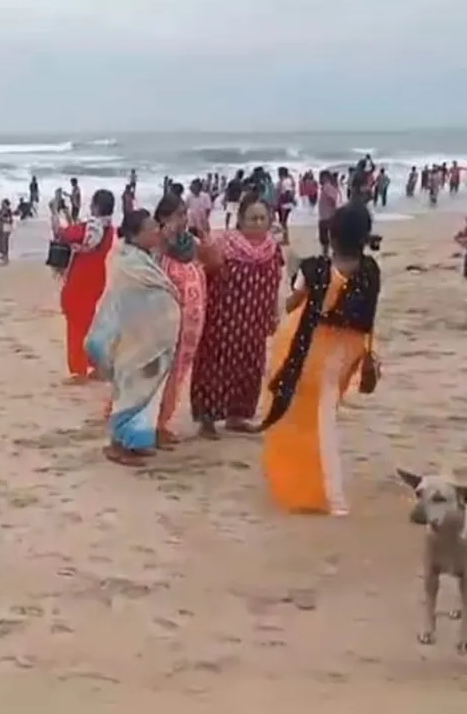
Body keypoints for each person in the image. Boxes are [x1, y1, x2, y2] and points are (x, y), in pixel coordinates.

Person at [261, 202, 381, 515]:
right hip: (348, 353)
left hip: (310, 351)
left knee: (309, 419)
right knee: (323, 415)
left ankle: (330, 497)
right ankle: (317, 488)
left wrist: (295, 276)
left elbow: (291, 305)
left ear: (331, 234)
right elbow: (367, 317)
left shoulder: (314, 269)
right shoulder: (371, 271)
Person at [84, 209, 179, 467]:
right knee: (129, 391)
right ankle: (118, 445)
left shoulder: (143, 256)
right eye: (151, 228)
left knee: (144, 392)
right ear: (137, 234)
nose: (157, 231)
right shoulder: (126, 261)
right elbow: (125, 298)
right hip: (130, 338)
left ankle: (134, 442)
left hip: (145, 338)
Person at [190, 195, 282, 438]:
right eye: (252, 218)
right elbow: (203, 275)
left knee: (250, 368)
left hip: (255, 320)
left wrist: (273, 312)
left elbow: (275, 283)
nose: (258, 223)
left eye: (262, 218)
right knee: (214, 367)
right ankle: (207, 420)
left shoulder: (273, 249)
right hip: (222, 319)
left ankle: (237, 416)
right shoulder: (224, 245)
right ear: (240, 220)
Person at [154, 194, 209, 446]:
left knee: (178, 374)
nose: (183, 219)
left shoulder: (191, 244)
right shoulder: (155, 246)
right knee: (158, 373)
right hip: (164, 324)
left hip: (190, 325)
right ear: (163, 218)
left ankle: (163, 422)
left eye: (185, 213)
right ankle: (151, 424)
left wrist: (205, 234)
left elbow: (216, 261)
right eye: (178, 215)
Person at [57, 189, 116, 382]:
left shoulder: (90, 228)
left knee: (75, 326)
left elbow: (65, 234)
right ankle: (97, 365)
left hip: (80, 279)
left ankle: (78, 370)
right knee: (90, 325)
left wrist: (55, 214)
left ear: (97, 207)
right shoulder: (108, 229)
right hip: (97, 278)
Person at [317, 171, 342, 255]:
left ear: (325, 178)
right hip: (328, 216)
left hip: (327, 217)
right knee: (330, 238)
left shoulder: (327, 187)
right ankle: (332, 254)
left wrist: (332, 208)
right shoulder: (328, 187)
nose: (319, 179)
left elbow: (333, 200)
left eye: (321, 177)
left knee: (326, 240)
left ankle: (327, 255)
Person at [0, 198, 14, 263]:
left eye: (2, 203)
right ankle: (3, 255)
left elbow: (9, 219)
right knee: (2, 242)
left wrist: (2, 218)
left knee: (4, 242)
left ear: (5, 204)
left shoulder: (7, 210)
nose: (1, 204)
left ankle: (5, 256)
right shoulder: (4, 210)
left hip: (5, 228)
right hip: (3, 228)